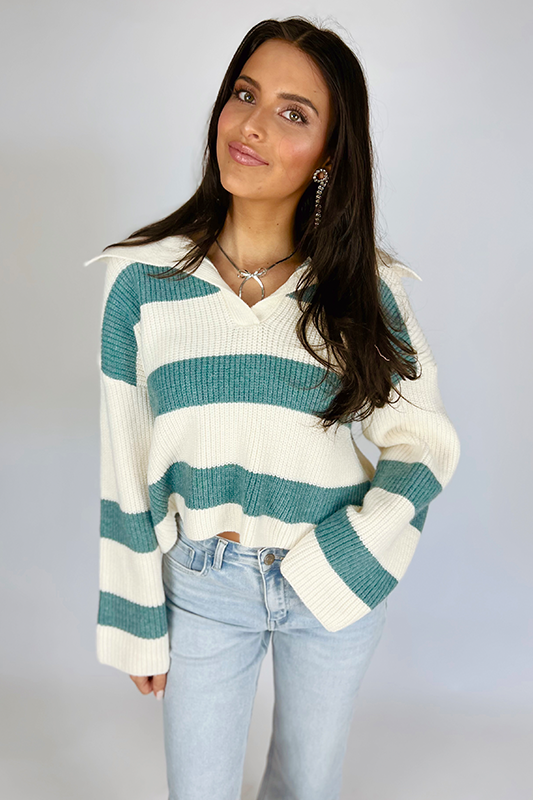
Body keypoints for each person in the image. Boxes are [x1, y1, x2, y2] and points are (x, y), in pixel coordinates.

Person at [84, 16, 460, 800]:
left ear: (327, 155)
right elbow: (125, 460)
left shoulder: (363, 291)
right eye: (244, 94)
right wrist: (136, 617)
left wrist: (348, 556)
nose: (252, 124)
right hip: (203, 581)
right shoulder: (140, 282)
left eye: (293, 113)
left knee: (306, 787)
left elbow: (423, 442)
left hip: (330, 574)